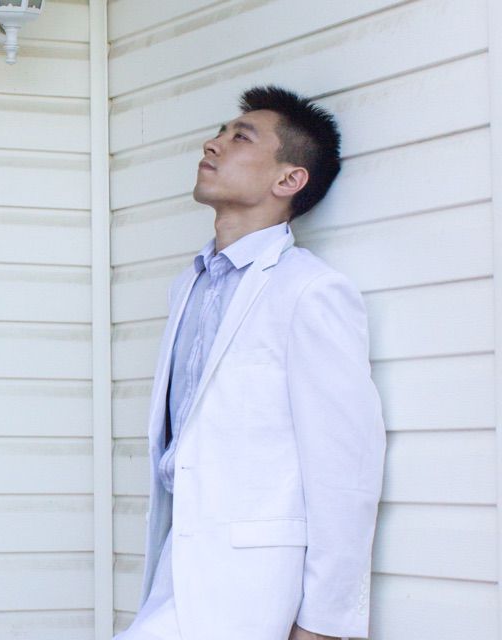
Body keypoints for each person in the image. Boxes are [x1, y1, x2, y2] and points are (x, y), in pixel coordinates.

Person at [114, 85, 387, 640]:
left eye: (240, 137)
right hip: (177, 569)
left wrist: (324, 623)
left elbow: (346, 466)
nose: (212, 144)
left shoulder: (310, 291)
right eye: (220, 132)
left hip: (252, 587)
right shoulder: (188, 285)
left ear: (288, 180)